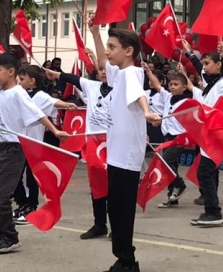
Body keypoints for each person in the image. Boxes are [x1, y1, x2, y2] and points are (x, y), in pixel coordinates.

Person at [0, 52, 68, 254]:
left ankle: (9, 237)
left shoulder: (18, 93)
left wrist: (55, 130)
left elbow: (37, 113)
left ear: (11, 72)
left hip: (13, 150)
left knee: (0, 198)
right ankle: (0, 234)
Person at [97, 26, 161, 272]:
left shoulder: (132, 73)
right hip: (117, 154)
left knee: (122, 212)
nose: (108, 51)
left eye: (113, 47)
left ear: (129, 51)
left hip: (126, 157)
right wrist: (94, 31)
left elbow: (137, 95)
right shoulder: (120, 72)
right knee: (116, 209)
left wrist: (146, 112)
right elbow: (104, 61)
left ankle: (128, 262)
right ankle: (123, 259)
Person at [45, 50, 113, 239]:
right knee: (97, 185)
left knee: (115, 185)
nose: (103, 72)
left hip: (114, 141)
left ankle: (117, 225)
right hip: (94, 142)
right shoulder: (91, 86)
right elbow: (73, 78)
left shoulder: (124, 88)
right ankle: (99, 224)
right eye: (100, 69)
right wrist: (56, 74)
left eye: (107, 69)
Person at [11, 63, 76, 221]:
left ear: (32, 81)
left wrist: (67, 105)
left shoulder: (39, 96)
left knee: (32, 176)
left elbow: (53, 102)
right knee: (15, 175)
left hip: (34, 143)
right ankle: (21, 203)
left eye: (22, 78)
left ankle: (31, 206)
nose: (19, 81)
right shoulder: (18, 93)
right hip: (17, 141)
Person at [186, 49, 223, 227]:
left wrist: (206, 113)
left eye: (208, 64)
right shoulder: (212, 83)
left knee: (204, 172)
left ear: (218, 64)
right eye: (204, 64)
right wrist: (189, 54)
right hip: (206, 134)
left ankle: (213, 211)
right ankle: (210, 208)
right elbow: (199, 71)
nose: (204, 68)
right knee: (207, 172)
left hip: (215, 135)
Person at [146, 66, 191, 208]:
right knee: (172, 165)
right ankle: (172, 196)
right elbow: (158, 85)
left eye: (176, 85)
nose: (172, 87)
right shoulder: (167, 97)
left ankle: (180, 184)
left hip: (179, 137)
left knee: (165, 163)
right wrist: (148, 71)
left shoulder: (187, 102)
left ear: (184, 87)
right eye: (171, 84)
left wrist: (183, 72)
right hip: (167, 137)